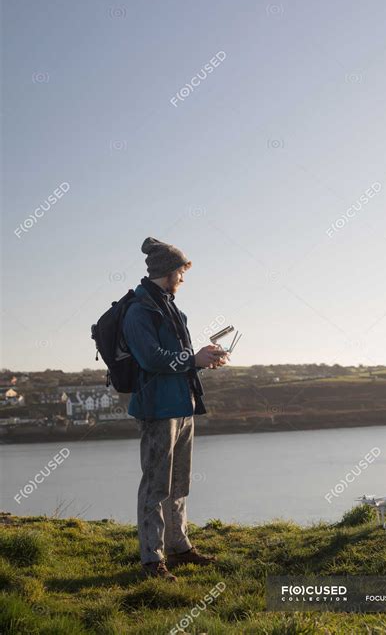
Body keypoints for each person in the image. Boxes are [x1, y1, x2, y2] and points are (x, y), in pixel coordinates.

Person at [123, 237, 229, 581]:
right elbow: (150, 358)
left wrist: (201, 359)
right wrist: (191, 358)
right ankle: (152, 561)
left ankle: (179, 546)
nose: (183, 279)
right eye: (180, 272)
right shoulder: (139, 311)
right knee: (155, 486)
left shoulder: (172, 308)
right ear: (166, 272)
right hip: (157, 409)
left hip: (183, 405)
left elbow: (178, 362)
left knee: (179, 482)